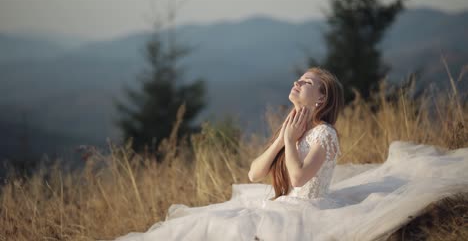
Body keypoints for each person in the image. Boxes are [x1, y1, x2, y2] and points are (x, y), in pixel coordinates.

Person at [112, 67, 468, 241]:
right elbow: (254, 174)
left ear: (321, 99)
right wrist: (284, 137)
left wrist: (292, 138)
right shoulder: (293, 124)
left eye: (307, 83)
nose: (297, 83)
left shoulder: (325, 133)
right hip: (280, 203)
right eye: (299, 79)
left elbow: (298, 179)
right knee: (198, 226)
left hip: (307, 212)